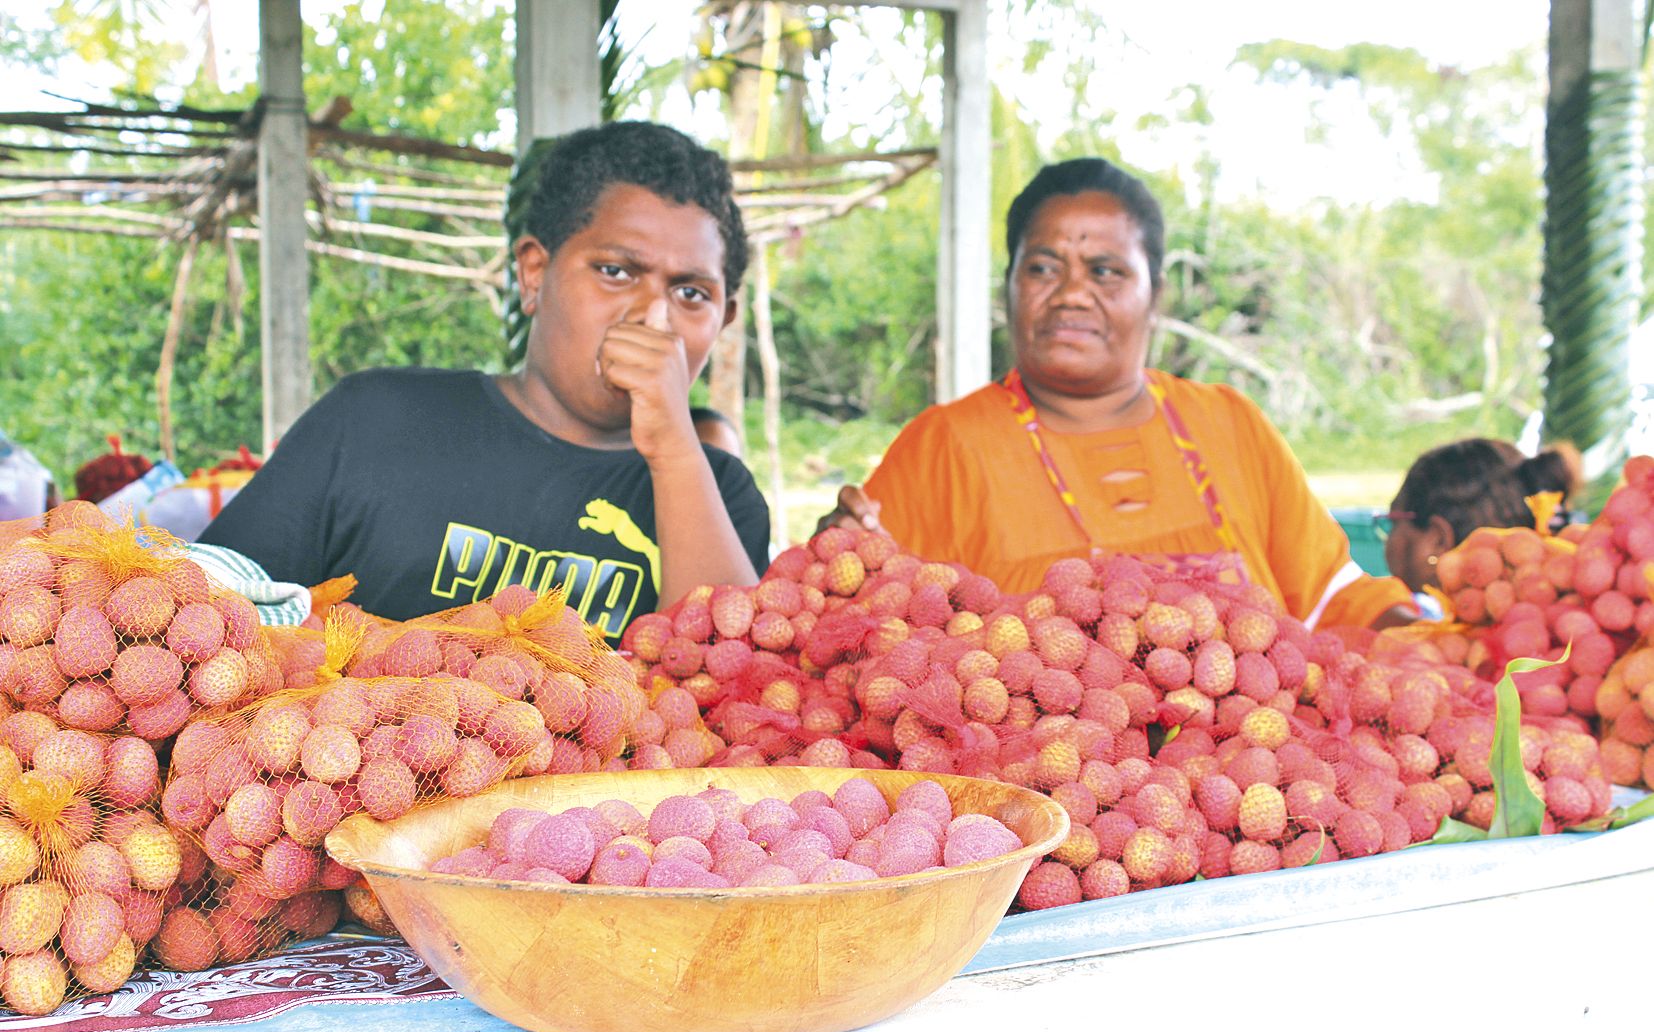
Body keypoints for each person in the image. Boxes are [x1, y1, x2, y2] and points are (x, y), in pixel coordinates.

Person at [203, 121, 769, 641]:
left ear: (723, 320)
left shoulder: (720, 494)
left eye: (692, 294)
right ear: (534, 273)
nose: (654, 318)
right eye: (615, 272)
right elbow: (205, 622)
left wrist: (673, 451)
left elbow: (727, 689)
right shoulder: (375, 420)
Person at [826, 157, 1415, 630]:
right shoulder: (946, 446)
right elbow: (864, 630)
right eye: (1043, 268)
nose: (1071, 294)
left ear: (1155, 294)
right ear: (1009, 288)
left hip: (1254, 773)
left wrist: (1431, 648)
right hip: (1038, 780)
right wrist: (843, 561)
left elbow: (1335, 602)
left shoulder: (1229, 424)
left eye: (1105, 271)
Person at [1381, 438, 1582, 594]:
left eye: (1392, 524)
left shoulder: (1409, 635)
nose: (1386, 540)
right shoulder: (1544, 619)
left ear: (1438, 540)